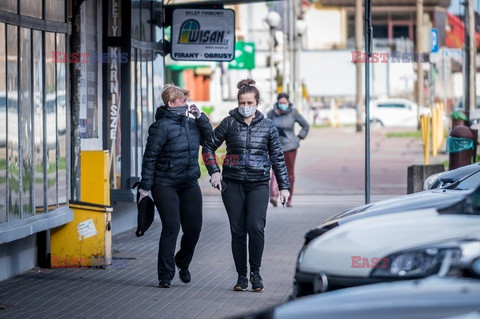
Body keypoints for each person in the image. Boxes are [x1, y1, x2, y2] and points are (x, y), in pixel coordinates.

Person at [202, 78, 290, 292]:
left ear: (257, 103)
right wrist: (214, 171)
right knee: (238, 231)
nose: (245, 107)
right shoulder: (229, 123)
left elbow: (278, 157)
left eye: (249, 103)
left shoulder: (268, 126)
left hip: (259, 183)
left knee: (255, 227)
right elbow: (208, 147)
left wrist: (284, 186)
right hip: (232, 184)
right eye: (241, 103)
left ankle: (256, 274)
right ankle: (242, 277)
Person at [138, 84, 213, 288]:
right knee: (171, 226)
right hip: (165, 183)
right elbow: (150, 157)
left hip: (189, 182)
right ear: (171, 103)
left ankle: (183, 261)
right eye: (182, 101)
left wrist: (201, 118)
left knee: (194, 228)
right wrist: (145, 186)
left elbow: (210, 140)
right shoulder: (160, 127)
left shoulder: (191, 124)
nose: (186, 104)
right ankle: (165, 274)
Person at [267, 93, 309, 208]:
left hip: (290, 147)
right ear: (277, 103)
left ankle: (288, 199)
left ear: (288, 103)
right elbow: (266, 128)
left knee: (289, 173)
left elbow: (305, 125)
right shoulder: (271, 114)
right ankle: (274, 196)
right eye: (280, 103)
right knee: (275, 172)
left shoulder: (293, 112)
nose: (282, 105)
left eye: (284, 103)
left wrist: (299, 137)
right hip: (276, 147)